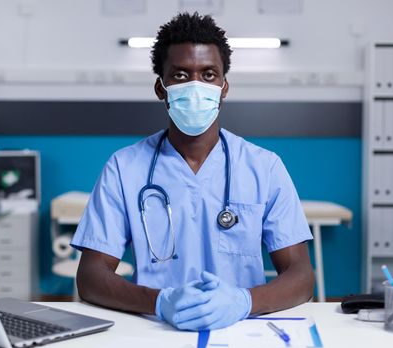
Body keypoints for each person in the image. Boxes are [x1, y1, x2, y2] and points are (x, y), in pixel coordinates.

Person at [71, 12, 314, 331]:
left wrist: (243, 301)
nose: (196, 86)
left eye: (209, 74)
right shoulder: (125, 168)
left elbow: (301, 275)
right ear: (161, 87)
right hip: (154, 328)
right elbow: (90, 276)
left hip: (243, 328)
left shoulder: (263, 167)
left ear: (224, 87)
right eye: (181, 76)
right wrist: (159, 302)